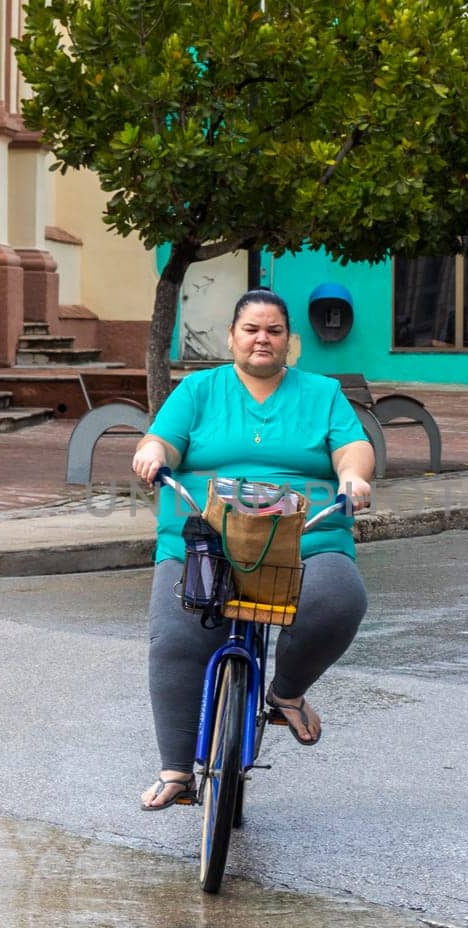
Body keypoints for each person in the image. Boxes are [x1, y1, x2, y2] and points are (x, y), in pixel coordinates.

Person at [130, 290, 375, 810]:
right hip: (206, 533)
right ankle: (176, 770)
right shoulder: (199, 389)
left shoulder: (322, 393)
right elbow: (164, 440)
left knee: (337, 599)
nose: (262, 339)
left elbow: (352, 448)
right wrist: (152, 454)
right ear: (232, 337)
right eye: (251, 330)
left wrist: (353, 478)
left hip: (305, 533)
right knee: (177, 635)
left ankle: (285, 693)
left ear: (290, 341)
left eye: (274, 331)